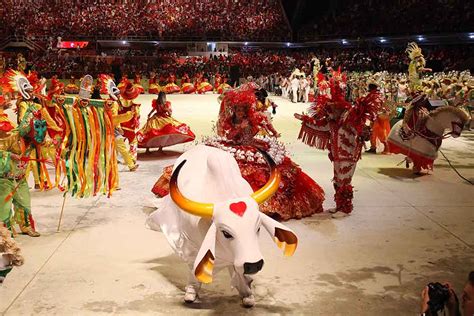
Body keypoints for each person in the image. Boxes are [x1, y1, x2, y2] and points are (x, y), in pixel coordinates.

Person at [152, 84, 325, 220]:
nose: (240, 112)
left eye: (242, 109)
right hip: (236, 146)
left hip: (251, 146)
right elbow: (229, 134)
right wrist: (237, 130)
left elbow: (266, 125)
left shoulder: (255, 118)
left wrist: (272, 132)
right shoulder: (231, 121)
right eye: (238, 109)